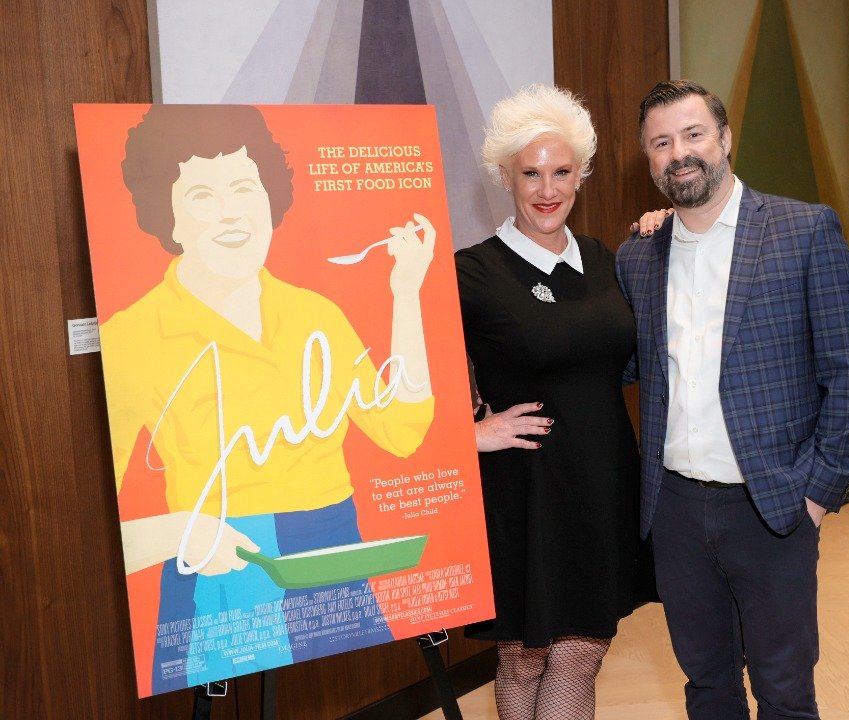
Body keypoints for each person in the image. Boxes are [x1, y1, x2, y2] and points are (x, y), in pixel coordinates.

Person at [103, 104, 436, 692]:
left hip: (331, 558)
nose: (231, 211)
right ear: (169, 218)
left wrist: (406, 291)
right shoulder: (131, 338)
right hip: (220, 573)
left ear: (269, 198)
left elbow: (402, 432)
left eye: (243, 185)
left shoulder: (316, 315)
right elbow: (97, 524)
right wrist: (181, 531)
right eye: (202, 195)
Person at [617, 80, 849, 719]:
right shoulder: (636, 258)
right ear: (648, 159)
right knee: (707, 687)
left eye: (692, 134)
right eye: (661, 142)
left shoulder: (804, 230)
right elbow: (618, 364)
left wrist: (817, 492)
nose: (679, 153)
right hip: (675, 511)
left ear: (726, 139)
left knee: (784, 693)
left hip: (773, 506)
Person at [456, 84, 642, 720]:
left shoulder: (604, 259)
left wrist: (667, 231)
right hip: (521, 488)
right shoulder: (472, 272)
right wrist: (465, 436)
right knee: (525, 656)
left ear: (581, 174)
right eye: (530, 173)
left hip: (602, 479)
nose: (547, 189)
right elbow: (396, 370)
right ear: (503, 175)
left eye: (561, 171)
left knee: (580, 652)